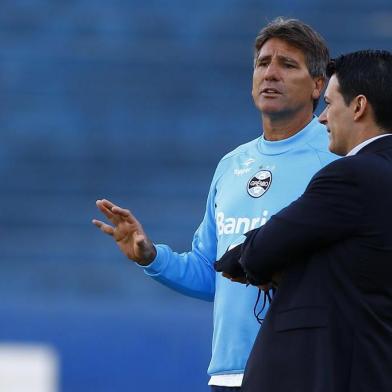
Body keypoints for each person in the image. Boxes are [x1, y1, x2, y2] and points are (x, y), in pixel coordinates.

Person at [92, 17, 337, 391]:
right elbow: (212, 274)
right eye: (262, 63)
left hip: (303, 368)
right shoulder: (231, 165)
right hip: (229, 374)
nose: (270, 73)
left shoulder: (337, 158)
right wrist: (151, 256)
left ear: (318, 85)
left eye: (287, 65)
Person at [216, 50, 392, 392]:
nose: (323, 118)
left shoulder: (352, 175)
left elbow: (259, 251)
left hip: (328, 372)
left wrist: (262, 262)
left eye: (328, 104)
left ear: (358, 107)